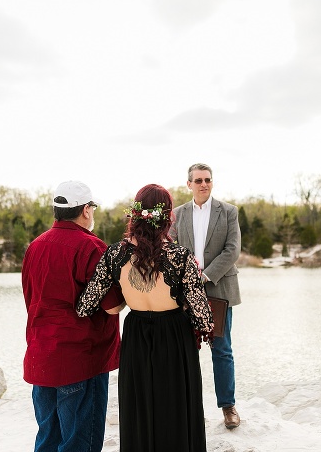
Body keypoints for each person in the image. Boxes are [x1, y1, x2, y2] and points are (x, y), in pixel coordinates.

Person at [77, 184, 214, 452]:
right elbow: (205, 320)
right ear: (168, 216)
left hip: (137, 334)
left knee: (138, 407)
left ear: (136, 214)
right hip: (174, 337)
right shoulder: (180, 256)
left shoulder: (114, 253)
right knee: (175, 406)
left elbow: (86, 305)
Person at [22, 180, 124, 452]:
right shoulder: (92, 247)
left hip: (41, 358)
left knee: (48, 440)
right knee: (80, 444)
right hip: (80, 361)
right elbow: (112, 306)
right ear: (87, 210)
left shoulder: (35, 247)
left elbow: (31, 301)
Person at [169, 163, 242, 430]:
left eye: (208, 180)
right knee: (186, 352)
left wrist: (205, 276)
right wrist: (188, 280)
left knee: (222, 351)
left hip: (219, 289)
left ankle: (228, 407)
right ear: (188, 184)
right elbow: (171, 250)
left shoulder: (229, 212)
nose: (204, 184)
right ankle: (188, 407)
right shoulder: (176, 215)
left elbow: (232, 250)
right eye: (198, 180)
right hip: (186, 294)